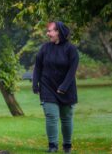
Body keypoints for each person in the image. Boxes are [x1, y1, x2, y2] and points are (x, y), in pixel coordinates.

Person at [32, 21, 79, 153]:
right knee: (51, 116)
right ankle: (52, 146)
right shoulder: (45, 48)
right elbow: (38, 66)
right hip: (47, 87)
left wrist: (63, 87)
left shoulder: (71, 49)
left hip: (66, 89)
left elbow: (72, 71)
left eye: (50, 31)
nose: (48, 34)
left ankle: (67, 146)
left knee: (66, 118)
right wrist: (35, 83)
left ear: (59, 32)